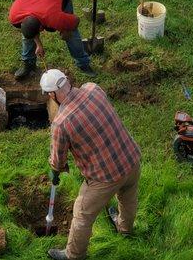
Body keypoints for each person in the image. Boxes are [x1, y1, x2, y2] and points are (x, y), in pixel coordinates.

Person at [40, 69, 141, 260]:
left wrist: (56, 170)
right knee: (128, 198)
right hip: (131, 159)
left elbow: (58, 161)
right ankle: (125, 228)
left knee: (82, 214)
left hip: (105, 177)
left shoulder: (61, 123)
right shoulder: (93, 89)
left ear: (52, 94)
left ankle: (74, 255)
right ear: (67, 81)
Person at [9, 0, 97, 79]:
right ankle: (29, 64)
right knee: (28, 34)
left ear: (42, 26)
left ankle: (83, 64)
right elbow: (30, 31)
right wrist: (39, 45)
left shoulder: (53, 17)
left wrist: (66, 30)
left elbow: (75, 21)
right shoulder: (15, 15)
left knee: (72, 34)